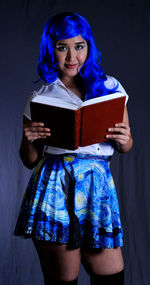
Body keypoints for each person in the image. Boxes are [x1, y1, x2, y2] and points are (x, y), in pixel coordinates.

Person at [14, 12, 133, 285]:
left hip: (97, 187)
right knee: (63, 279)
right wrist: (29, 139)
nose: (71, 57)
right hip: (55, 186)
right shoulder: (41, 96)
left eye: (79, 46)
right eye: (61, 47)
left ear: (88, 47)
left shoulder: (110, 87)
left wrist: (125, 140)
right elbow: (30, 160)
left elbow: (126, 145)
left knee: (111, 276)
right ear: (50, 50)